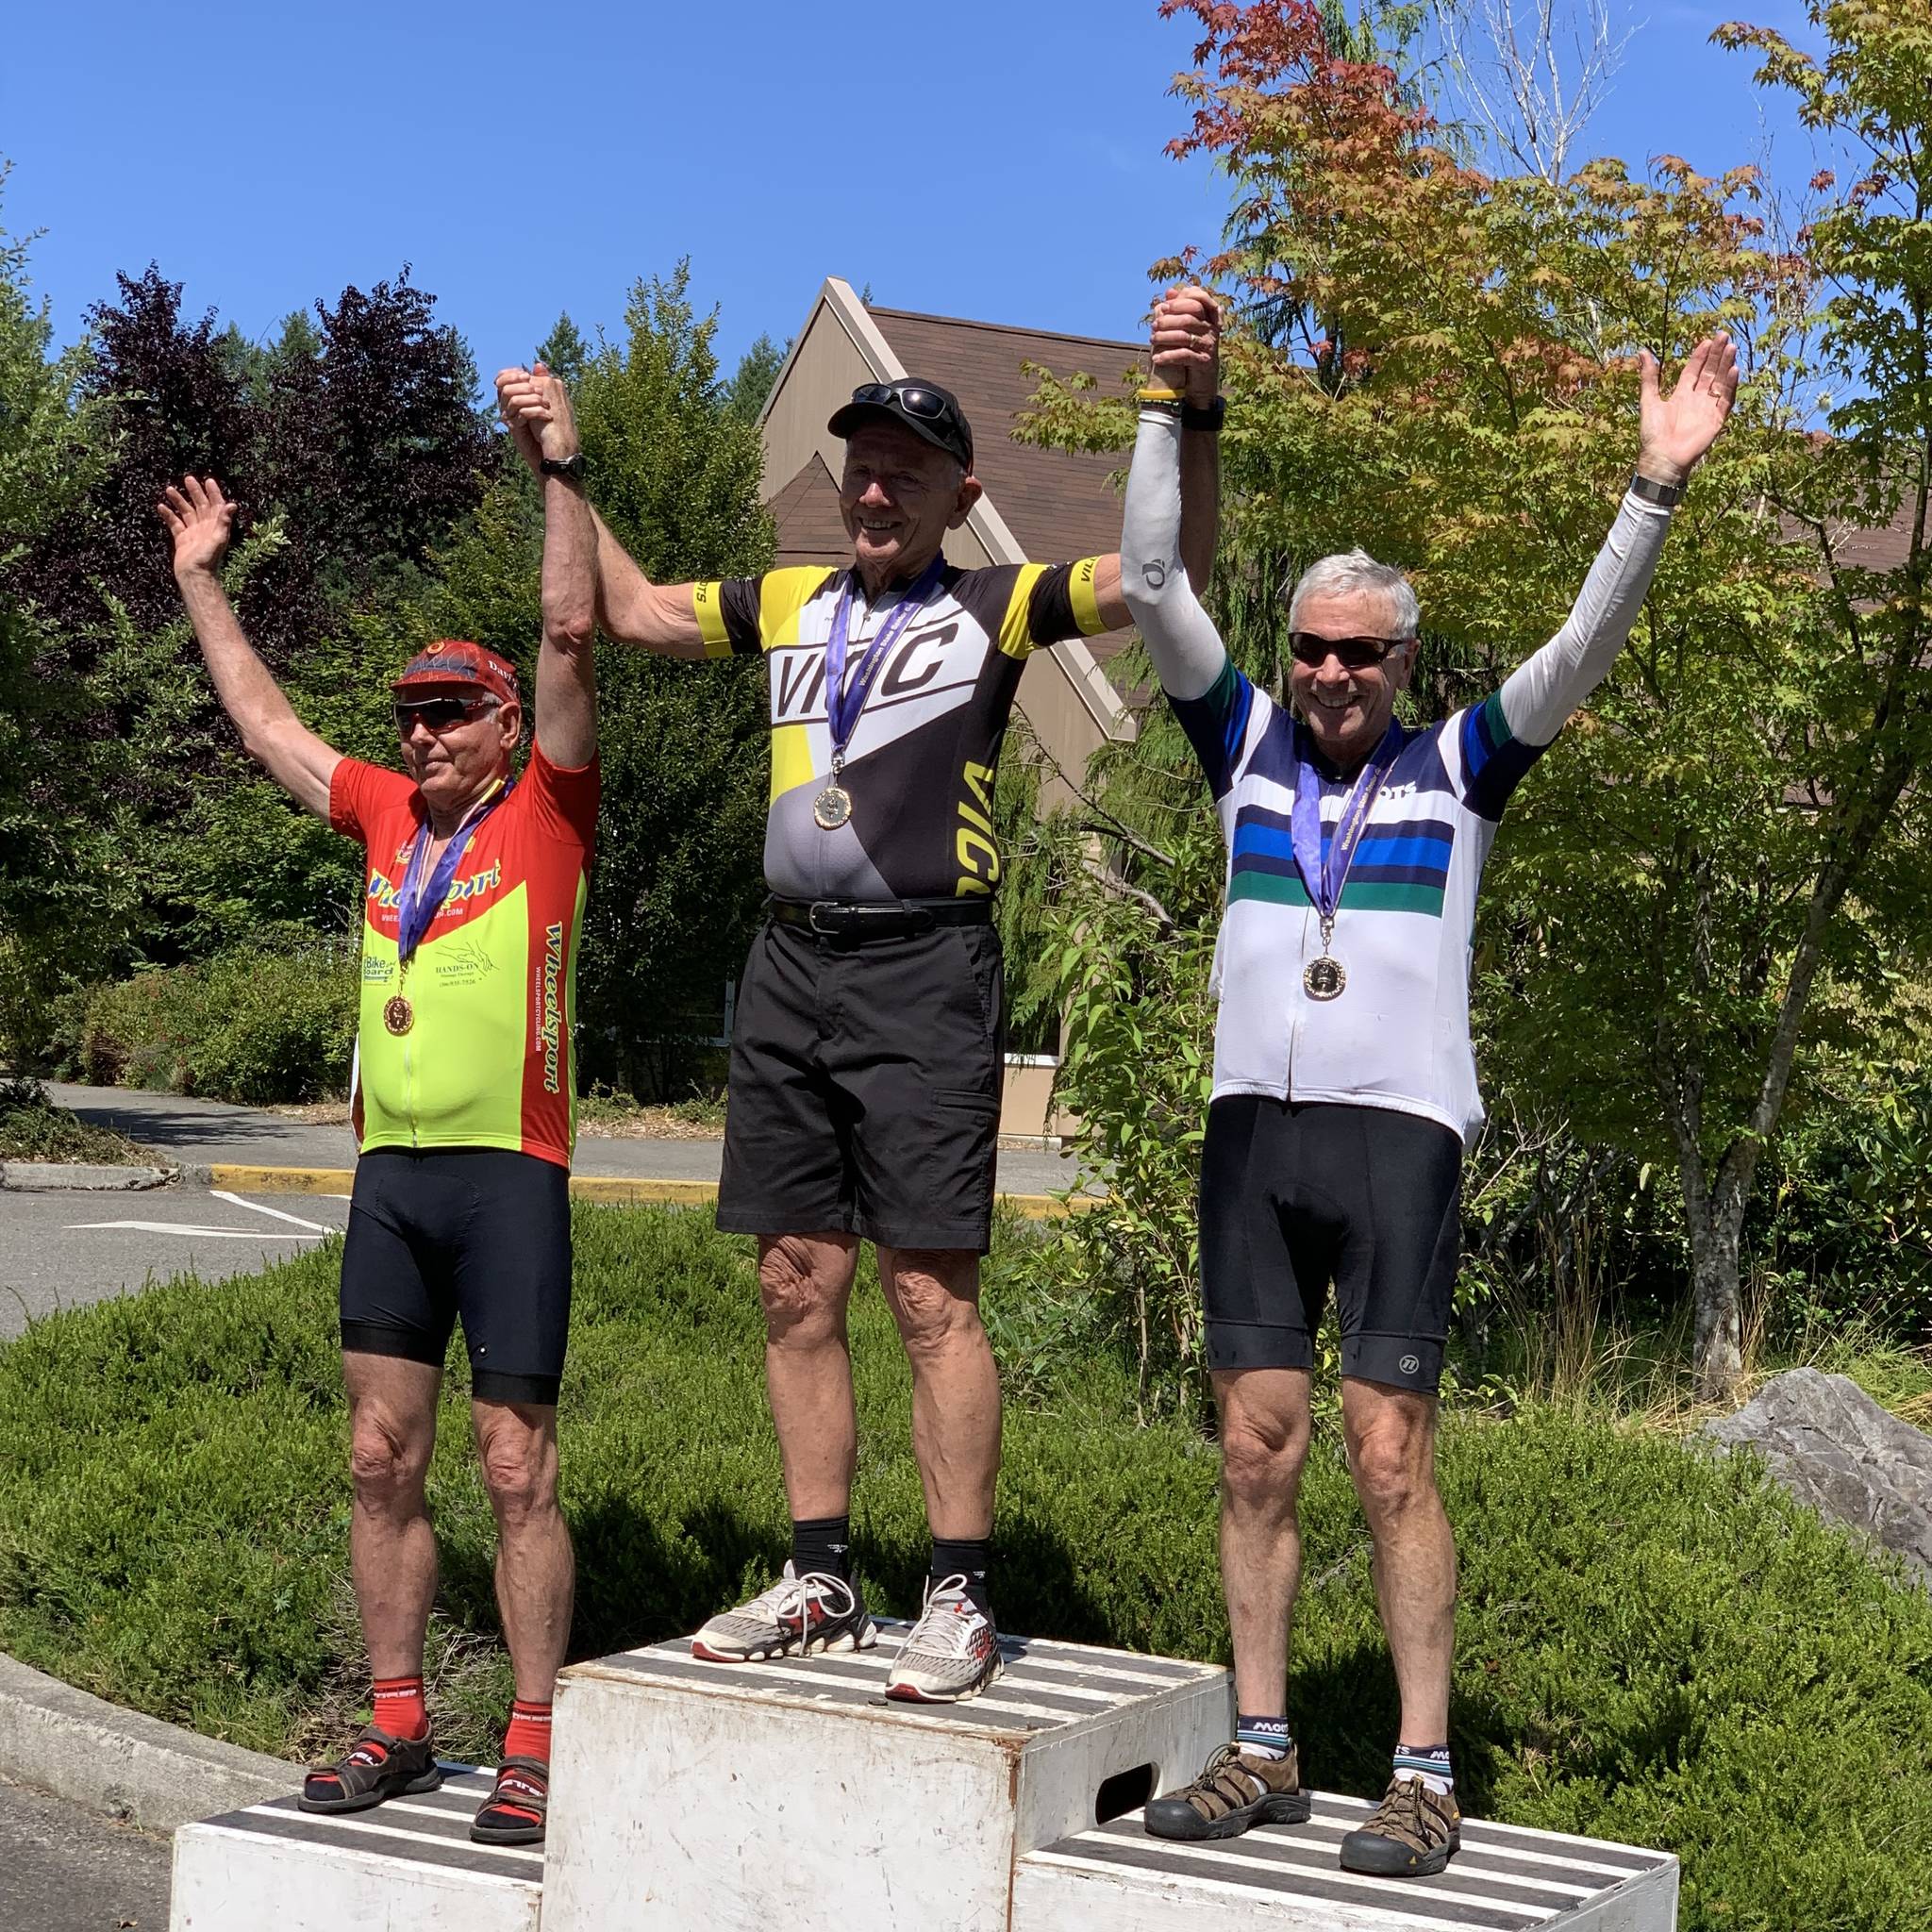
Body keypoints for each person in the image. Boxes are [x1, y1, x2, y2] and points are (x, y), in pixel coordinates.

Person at [496, 291, 1223, 1700]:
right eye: (858, 465)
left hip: (925, 968)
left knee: (928, 1294)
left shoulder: (998, 600)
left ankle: (960, 1591)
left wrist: (1190, 413)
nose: (875, 487)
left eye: (904, 469)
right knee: (791, 1284)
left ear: (962, 491)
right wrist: (563, 473)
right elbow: (624, 610)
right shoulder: (787, 602)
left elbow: (1168, 575)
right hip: (788, 965)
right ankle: (822, 1570)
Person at [1122, 337, 1738, 1870]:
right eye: (1314, 648)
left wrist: (1654, 485)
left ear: (1406, 662)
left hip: (1398, 1133)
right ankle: (1262, 1748)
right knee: (1257, 1448)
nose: (1332, 673)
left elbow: (1583, 650)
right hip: (1250, 1131)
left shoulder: (1459, 766)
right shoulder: (1244, 744)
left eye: (1362, 653)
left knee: (1390, 1452)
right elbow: (1147, 578)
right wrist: (1163, 404)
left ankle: (1424, 1767)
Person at [158, 363, 601, 1846]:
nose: (419, 735)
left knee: (513, 1464)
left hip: (509, 1172)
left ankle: (535, 1736)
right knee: (375, 1457)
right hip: (391, 1181)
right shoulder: (378, 816)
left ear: (498, 726)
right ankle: (399, 1718)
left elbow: (565, 626)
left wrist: (557, 471)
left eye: (446, 714)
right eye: (407, 714)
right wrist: (199, 585)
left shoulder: (548, 808)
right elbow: (267, 721)